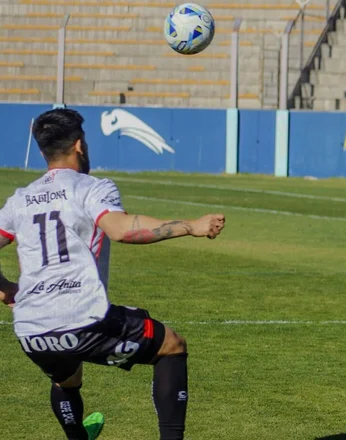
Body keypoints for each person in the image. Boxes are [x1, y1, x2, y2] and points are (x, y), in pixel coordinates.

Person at [0, 108, 226, 440]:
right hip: (81, 319)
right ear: (79, 145)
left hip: (32, 331)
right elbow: (120, 229)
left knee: (67, 377)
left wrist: (6, 289)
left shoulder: (20, 200)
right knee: (172, 345)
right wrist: (190, 226)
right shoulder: (90, 188)